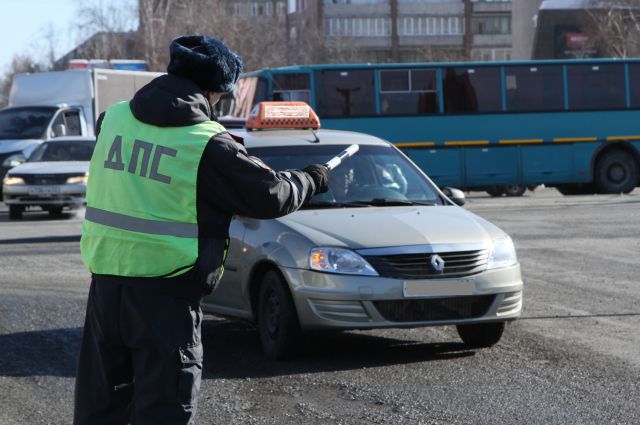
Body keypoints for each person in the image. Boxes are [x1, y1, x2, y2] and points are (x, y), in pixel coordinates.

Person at [73, 35, 330, 425]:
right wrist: (311, 179)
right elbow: (271, 196)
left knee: (101, 412)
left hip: (105, 292)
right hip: (166, 299)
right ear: (215, 91)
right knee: (165, 411)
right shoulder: (206, 144)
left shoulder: (113, 119)